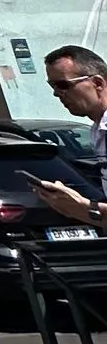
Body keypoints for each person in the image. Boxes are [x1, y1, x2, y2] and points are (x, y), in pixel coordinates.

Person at [29, 46, 107, 230]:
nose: (56, 93)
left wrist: (84, 207)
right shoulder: (98, 129)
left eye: (63, 85)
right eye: (52, 86)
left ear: (97, 83)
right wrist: (75, 208)